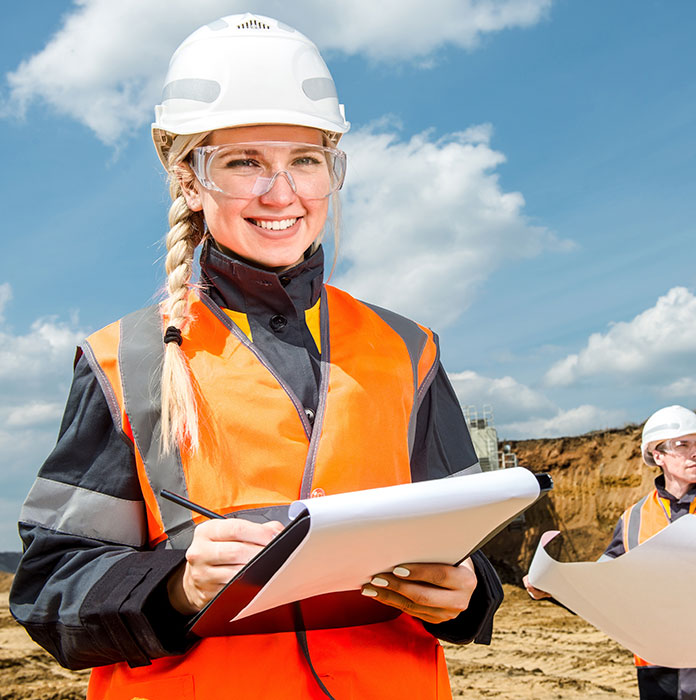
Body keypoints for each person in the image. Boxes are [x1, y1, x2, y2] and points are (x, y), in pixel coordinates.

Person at [10, 13, 502, 700]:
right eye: (243, 162)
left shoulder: (407, 350)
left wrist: (468, 592)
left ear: (332, 170)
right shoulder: (124, 361)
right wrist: (178, 587)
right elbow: (48, 589)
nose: (281, 193)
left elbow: (467, 540)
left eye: (304, 160)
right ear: (188, 178)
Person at [524, 405, 696, 700]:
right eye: (682, 445)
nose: (695, 453)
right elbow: (601, 593)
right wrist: (553, 590)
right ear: (657, 455)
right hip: (659, 670)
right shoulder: (634, 519)